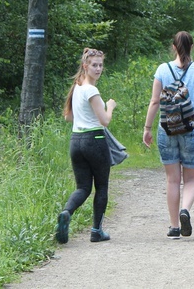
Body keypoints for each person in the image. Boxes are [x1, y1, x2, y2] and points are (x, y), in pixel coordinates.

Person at [143, 31, 194, 239]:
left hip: (167, 128)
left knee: (172, 180)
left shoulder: (163, 69)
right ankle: (185, 210)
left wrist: (147, 128)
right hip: (193, 128)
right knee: (190, 179)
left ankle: (173, 227)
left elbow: (155, 101)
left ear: (173, 47)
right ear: (192, 47)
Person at [56, 48, 117, 245]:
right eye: (94, 65)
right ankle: (96, 231)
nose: (98, 68)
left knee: (82, 187)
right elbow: (105, 120)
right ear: (85, 66)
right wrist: (110, 106)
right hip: (95, 141)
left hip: (76, 141)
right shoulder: (91, 90)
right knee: (101, 186)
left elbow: (68, 117)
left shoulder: (77, 87)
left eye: (100, 65)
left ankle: (66, 212)